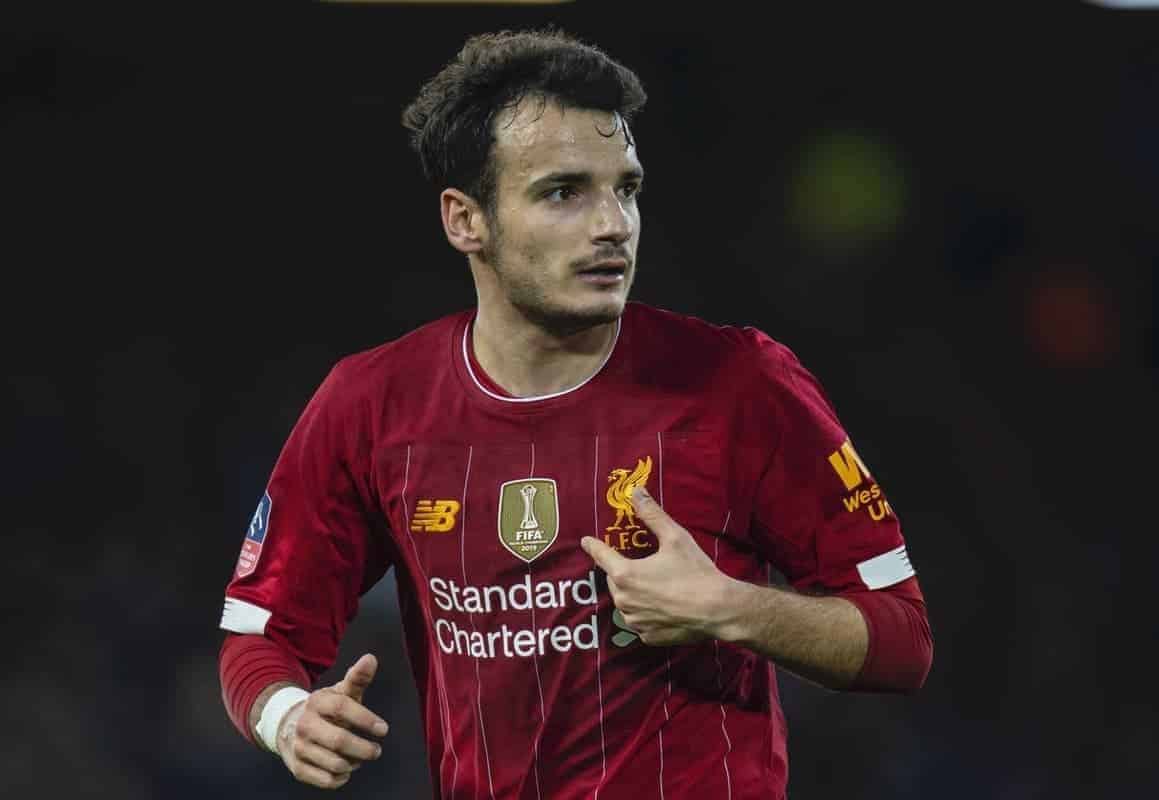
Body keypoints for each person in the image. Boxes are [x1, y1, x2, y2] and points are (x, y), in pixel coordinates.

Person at [216, 27, 933, 798]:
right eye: (565, 192)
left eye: (625, 188)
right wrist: (288, 717)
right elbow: (261, 636)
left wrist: (732, 608)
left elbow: (902, 640)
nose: (613, 225)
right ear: (466, 220)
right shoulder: (371, 405)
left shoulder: (741, 383)